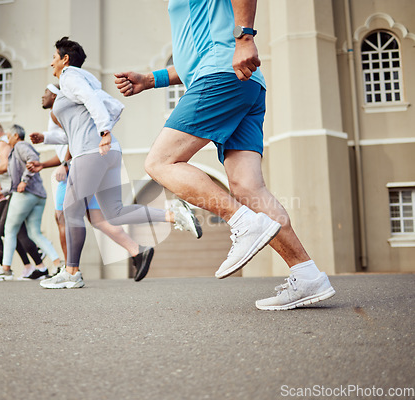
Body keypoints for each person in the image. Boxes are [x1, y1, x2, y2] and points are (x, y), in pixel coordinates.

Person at [114, 0, 335, 310]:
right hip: (242, 82)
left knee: (160, 162)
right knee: (248, 188)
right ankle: (306, 274)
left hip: (220, 77)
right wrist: (152, 80)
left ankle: (242, 223)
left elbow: (213, 55)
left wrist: (245, 37)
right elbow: (196, 57)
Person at [38, 36, 202, 290]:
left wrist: (103, 132)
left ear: (65, 60)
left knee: (71, 210)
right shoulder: (87, 80)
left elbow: (95, 106)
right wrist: (47, 137)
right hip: (108, 152)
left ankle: (71, 272)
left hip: (91, 152)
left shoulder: (69, 76)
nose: (52, 64)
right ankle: (173, 214)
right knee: (114, 212)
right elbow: (112, 107)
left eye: (54, 58)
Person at [29, 84, 156, 281]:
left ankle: (68, 269)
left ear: (56, 95)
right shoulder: (64, 111)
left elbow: (74, 140)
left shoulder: (60, 111)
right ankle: (137, 250)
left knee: (63, 216)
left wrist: (66, 163)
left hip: (78, 167)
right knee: (99, 220)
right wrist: (45, 160)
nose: (42, 96)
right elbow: (70, 140)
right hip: (88, 164)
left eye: (46, 92)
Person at [0, 124, 62, 280]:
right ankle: (58, 263)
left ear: (16, 136)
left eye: (9, 136)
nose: (8, 139)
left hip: (26, 193)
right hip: (38, 195)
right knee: (34, 233)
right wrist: (3, 191)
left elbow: (33, 159)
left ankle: (6, 268)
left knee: (9, 229)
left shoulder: (20, 145)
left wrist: (24, 181)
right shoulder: (16, 149)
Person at [0, 140, 49, 280]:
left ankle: (5, 267)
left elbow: (8, 171)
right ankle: (33, 264)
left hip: (11, 196)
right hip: (5, 195)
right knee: (14, 232)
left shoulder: (3, 152)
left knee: (3, 231)